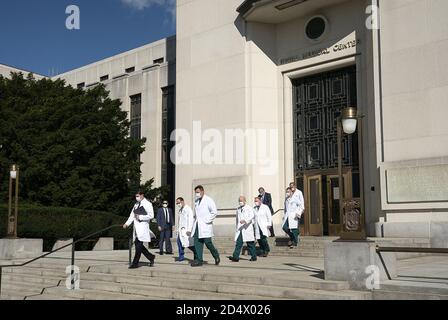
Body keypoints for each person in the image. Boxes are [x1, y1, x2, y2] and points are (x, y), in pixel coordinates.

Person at [123, 191, 156, 269]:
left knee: (138, 247)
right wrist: (127, 223)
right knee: (139, 246)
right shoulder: (136, 204)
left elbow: (151, 215)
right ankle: (151, 257)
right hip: (136, 229)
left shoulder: (148, 204)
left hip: (143, 228)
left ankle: (135, 263)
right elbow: (132, 215)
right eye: (136, 196)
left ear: (142, 195)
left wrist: (141, 217)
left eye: (137, 196)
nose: (136, 198)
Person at [191, 185, 220, 267]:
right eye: (195, 192)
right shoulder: (196, 201)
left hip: (205, 225)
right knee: (197, 243)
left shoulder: (208, 200)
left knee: (208, 243)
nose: (196, 194)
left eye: (198, 192)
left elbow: (214, 212)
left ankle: (216, 255)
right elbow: (195, 215)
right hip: (197, 225)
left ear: (202, 191)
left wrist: (206, 220)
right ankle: (199, 260)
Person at [229, 196, 257, 262]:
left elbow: (252, 216)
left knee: (250, 244)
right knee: (239, 243)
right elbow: (237, 219)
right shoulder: (238, 209)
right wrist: (237, 228)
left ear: (245, 201)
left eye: (241, 200)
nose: (240, 202)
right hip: (240, 229)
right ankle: (235, 257)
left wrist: (245, 220)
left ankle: (254, 256)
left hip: (247, 228)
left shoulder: (249, 208)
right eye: (239, 201)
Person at [175, 197, 196, 262]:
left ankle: (196, 253)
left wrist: (189, 230)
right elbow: (180, 221)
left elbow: (190, 220)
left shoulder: (188, 209)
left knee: (188, 244)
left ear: (182, 201)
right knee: (179, 242)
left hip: (186, 230)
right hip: (181, 231)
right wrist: (177, 230)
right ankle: (181, 257)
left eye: (178, 202)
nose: (178, 204)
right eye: (177, 203)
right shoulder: (180, 210)